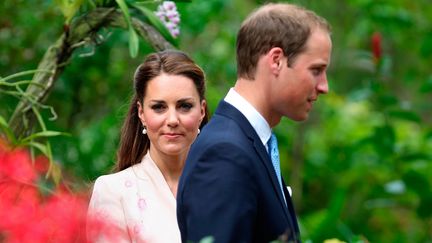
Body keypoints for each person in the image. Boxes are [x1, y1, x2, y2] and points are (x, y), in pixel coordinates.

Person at [177, 3, 332, 243]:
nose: (324, 86)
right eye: (316, 70)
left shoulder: (253, 144)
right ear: (276, 61)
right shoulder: (225, 153)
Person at [88, 50, 208, 243]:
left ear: (201, 111)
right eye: (159, 107)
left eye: (184, 106)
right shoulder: (113, 191)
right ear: (141, 112)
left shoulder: (226, 185)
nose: (172, 120)